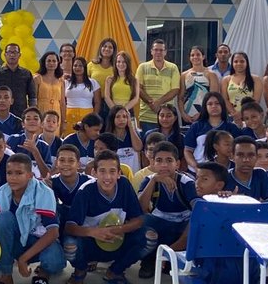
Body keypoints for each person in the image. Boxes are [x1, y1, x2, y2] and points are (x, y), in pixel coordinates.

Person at [65, 149, 148, 284]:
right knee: (70, 244)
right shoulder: (85, 190)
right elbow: (70, 227)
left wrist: (118, 229)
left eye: (112, 171)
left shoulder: (124, 185)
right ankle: (80, 270)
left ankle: (116, 271)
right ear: (94, 173)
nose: (107, 177)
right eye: (102, 171)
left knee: (149, 237)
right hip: (91, 245)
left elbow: (138, 220)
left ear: (119, 173)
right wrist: (94, 232)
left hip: (118, 240)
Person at [0, 153, 64, 284]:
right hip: (18, 241)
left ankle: (43, 273)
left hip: (39, 240)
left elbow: (53, 232)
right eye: (9, 173)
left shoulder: (43, 192)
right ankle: (6, 275)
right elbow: (4, 225)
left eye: (19, 173)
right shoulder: (3, 191)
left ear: (30, 175)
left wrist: (23, 259)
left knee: (55, 262)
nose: (13, 177)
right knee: (2, 218)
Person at [137, 141, 197, 279]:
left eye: (169, 160)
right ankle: (148, 260)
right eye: (159, 160)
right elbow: (140, 208)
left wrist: (182, 240)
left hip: (182, 226)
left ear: (177, 164)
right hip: (161, 222)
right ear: (153, 163)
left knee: (196, 226)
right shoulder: (149, 180)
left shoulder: (187, 182)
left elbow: (198, 212)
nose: (164, 165)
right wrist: (154, 181)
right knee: (140, 222)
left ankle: (172, 257)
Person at [48, 144, 90, 266]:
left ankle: (89, 257)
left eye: (71, 161)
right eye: (62, 160)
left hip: (84, 219)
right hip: (64, 218)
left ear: (78, 164)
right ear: (56, 163)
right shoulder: (52, 182)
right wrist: (46, 190)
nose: (66, 164)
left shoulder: (89, 182)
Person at [183, 92, 240, 173]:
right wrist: (196, 168)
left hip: (226, 172)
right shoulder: (196, 126)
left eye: (217, 103)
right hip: (197, 172)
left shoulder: (232, 127)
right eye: (210, 104)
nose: (214, 106)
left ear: (222, 106)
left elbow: (239, 149)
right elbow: (188, 151)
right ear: (205, 107)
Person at [136, 39, 180, 134]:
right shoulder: (142, 67)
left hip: (167, 117)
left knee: (167, 142)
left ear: (165, 52)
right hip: (147, 116)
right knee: (148, 142)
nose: (158, 52)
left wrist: (158, 103)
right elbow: (138, 88)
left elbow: (175, 90)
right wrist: (151, 103)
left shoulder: (173, 68)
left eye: (161, 50)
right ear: (151, 51)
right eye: (156, 50)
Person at [0, 43, 37, 120]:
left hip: (21, 115)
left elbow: (32, 97)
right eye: (9, 52)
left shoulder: (26, 73)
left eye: (15, 52)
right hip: (1, 115)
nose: (12, 55)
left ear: (19, 55)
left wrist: (31, 115)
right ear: (5, 55)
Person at [223, 136, 268, 201]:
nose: (246, 160)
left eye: (251, 155)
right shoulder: (224, 177)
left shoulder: (260, 174)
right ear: (232, 156)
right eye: (240, 155)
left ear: (256, 157)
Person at [5, 107, 51, 178]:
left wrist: (35, 151)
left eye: (35, 119)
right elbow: (5, 166)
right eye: (28, 119)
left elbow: (47, 175)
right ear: (23, 124)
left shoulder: (44, 146)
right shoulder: (14, 139)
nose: (32, 121)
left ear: (41, 124)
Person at [179, 46, 219, 124]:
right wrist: (183, 114)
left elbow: (214, 97)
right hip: (188, 115)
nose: (195, 57)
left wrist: (202, 113)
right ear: (190, 58)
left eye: (198, 54)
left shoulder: (211, 74)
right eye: (192, 55)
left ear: (203, 57)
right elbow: (180, 98)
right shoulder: (184, 75)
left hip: (206, 114)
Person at [221, 52, 263, 125]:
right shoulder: (226, 79)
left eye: (242, 61)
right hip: (231, 117)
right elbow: (224, 99)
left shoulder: (256, 79)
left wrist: (242, 113)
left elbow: (256, 100)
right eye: (236, 61)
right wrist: (234, 113)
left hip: (250, 117)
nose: (239, 64)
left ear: (247, 63)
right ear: (232, 63)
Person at [64, 57, 100, 138]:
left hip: (87, 114)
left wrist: (94, 117)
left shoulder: (93, 83)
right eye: (75, 65)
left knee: (86, 138)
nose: (77, 68)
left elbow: (97, 102)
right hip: (69, 115)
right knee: (70, 138)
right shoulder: (66, 82)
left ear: (85, 67)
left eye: (80, 66)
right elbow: (62, 100)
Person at [34, 51, 66, 131]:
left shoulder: (61, 81)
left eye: (54, 61)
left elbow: (62, 103)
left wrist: (63, 121)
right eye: (49, 61)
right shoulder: (37, 78)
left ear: (58, 63)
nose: (51, 63)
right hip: (41, 111)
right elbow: (33, 100)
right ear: (44, 62)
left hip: (56, 113)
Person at [105, 105, 143, 173]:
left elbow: (138, 148)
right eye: (118, 117)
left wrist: (130, 126)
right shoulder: (108, 136)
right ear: (112, 118)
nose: (121, 119)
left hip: (134, 173)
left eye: (125, 117)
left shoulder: (133, 133)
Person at [103, 51, 139, 116]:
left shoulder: (134, 80)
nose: (121, 64)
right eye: (118, 61)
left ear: (128, 63)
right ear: (115, 63)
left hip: (128, 112)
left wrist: (124, 110)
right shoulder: (109, 79)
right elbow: (107, 97)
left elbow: (136, 98)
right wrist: (116, 111)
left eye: (124, 62)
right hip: (113, 112)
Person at [86, 39, 116, 108]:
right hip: (93, 101)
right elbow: (85, 82)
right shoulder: (91, 65)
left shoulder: (117, 67)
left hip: (111, 102)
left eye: (110, 47)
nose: (107, 49)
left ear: (114, 51)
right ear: (100, 48)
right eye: (104, 46)